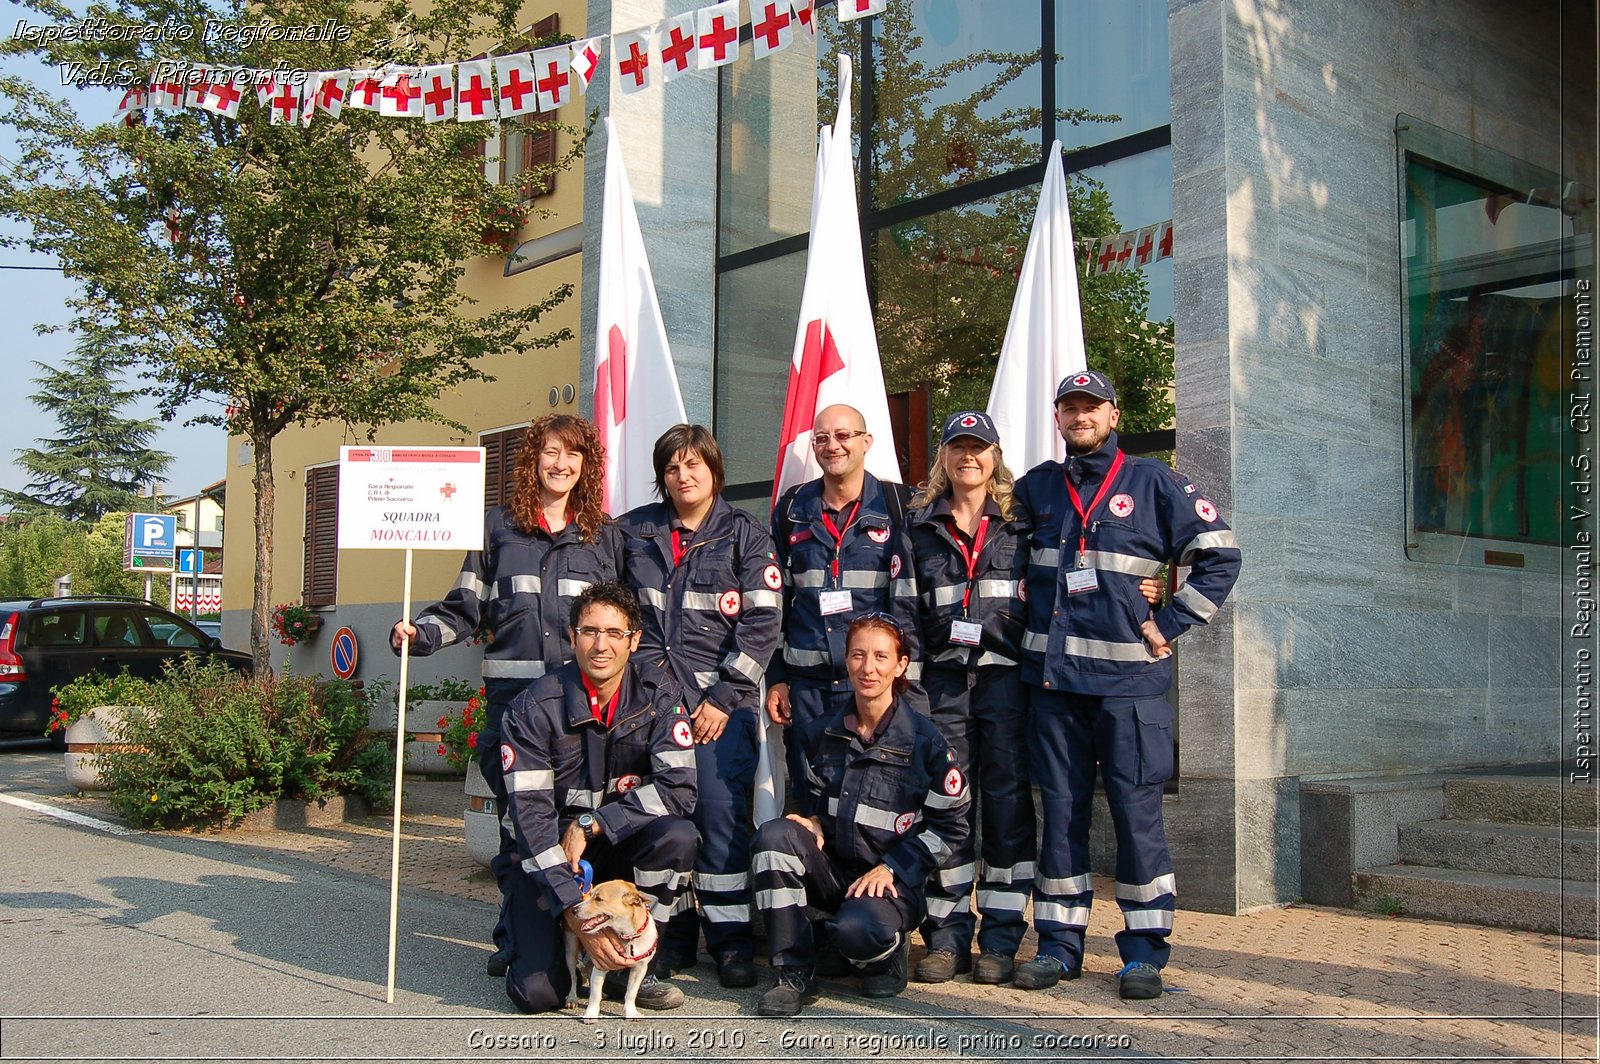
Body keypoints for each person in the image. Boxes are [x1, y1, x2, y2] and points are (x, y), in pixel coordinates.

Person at [1011, 370, 1241, 1000]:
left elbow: (1221, 553)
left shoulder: (1154, 481)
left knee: (1138, 820)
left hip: (1129, 688)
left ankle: (1143, 955)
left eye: (1092, 407)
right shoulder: (1037, 489)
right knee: (1059, 817)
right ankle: (1059, 948)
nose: (1080, 416)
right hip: (1055, 688)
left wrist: (1168, 619)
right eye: (1069, 407)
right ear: (1057, 418)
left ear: (1114, 416)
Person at [390, 413, 625, 977]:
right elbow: (462, 608)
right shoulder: (497, 530)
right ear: (532, 461)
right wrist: (418, 634)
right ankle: (514, 934)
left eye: (572, 455)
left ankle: (590, 938)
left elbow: (622, 625)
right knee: (517, 828)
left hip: (581, 716)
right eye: (549, 452)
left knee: (579, 825)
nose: (560, 464)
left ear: (586, 465)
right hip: (514, 713)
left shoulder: (604, 536)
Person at [615, 424, 782, 988]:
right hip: (648, 708)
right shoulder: (633, 532)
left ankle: (732, 944)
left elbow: (762, 627)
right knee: (663, 821)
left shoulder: (745, 535)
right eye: (672, 468)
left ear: (714, 470)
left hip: (720, 711)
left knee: (719, 820)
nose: (683, 476)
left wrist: (722, 698)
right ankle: (670, 938)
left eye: (694, 465)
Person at [751, 614, 970, 1017]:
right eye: (858, 655)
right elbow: (811, 798)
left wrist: (892, 868)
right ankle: (793, 972)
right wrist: (812, 821)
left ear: (901, 665)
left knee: (859, 933)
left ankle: (882, 952)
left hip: (892, 885)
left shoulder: (926, 742)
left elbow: (951, 826)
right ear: (846, 661)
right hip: (837, 875)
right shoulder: (821, 732)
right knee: (774, 837)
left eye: (881, 657)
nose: (868, 668)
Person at [495, 580, 699, 1013]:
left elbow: (679, 787)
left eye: (614, 633)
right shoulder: (533, 709)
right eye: (589, 631)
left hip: (612, 846)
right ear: (572, 637)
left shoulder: (660, 697)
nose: (600, 645)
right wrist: (576, 910)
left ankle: (641, 960)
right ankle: (523, 936)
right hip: (546, 858)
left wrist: (595, 822)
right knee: (539, 995)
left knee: (677, 836)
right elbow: (529, 821)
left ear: (635, 640)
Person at [902, 410, 1034, 985]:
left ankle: (1001, 940)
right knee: (949, 807)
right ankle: (947, 937)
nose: (968, 458)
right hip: (944, 686)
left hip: (1006, 683)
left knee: (1006, 810)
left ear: (995, 457)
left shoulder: (1022, 526)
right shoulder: (918, 527)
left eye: (979, 449)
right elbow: (905, 608)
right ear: (944, 458)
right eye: (958, 447)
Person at [766, 404, 921, 791]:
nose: (832, 445)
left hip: (874, 688)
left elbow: (910, 605)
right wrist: (778, 678)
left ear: (866, 442)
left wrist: (909, 684)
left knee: (879, 796)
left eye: (843, 435)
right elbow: (776, 602)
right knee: (811, 797)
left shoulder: (900, 505)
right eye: (821, 438)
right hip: (808, 690)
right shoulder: (791, 508)